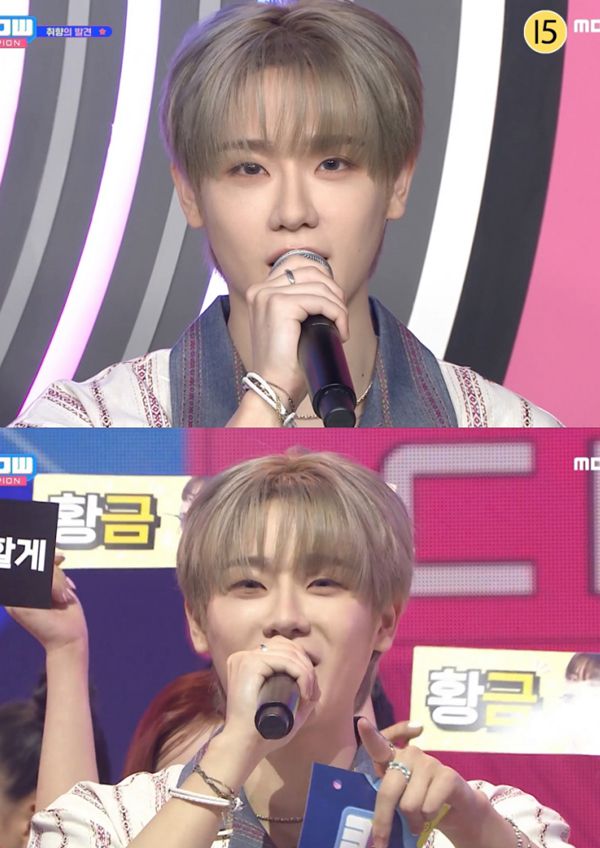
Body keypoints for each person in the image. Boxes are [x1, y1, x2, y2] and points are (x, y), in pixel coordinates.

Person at [11, 0, 560, 428]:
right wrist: (267, 396)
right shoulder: (85, 429)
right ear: (190, 194)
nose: (293, 212)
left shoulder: (510, 435)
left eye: (333, 163)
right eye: (249, 168)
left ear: (398, 182)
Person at [28, 452, 571, 848]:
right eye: (249, 585)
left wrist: (473, 828)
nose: (286, 616)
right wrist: (228, 760)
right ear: (197, 622)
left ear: (384, 622)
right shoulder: (108, 820)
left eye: (324, 583)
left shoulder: (476, 822)